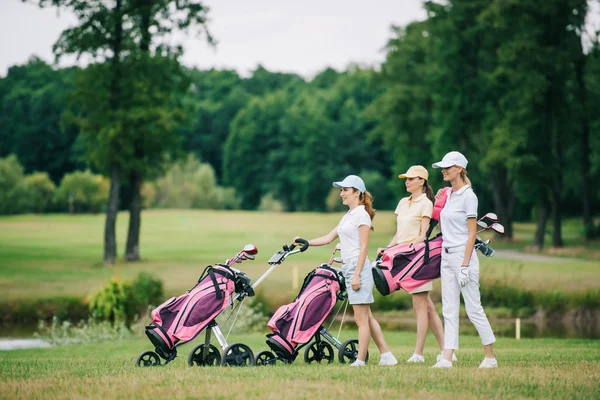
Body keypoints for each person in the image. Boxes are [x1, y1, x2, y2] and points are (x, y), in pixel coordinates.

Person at [294, 175, 397, 367]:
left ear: (357, 193)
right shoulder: (348, 216)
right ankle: (387, 356)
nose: (341, 194)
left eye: (345, 190)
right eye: (341, 190)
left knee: (360, 319)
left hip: (359, 269)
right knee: (367, 316)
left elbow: (364, 248)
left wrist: (357, 274)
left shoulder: (362, 215)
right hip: (349, 268)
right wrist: (307, 242)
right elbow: (328, 238)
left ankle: (360, 360)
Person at [377, 165, 454, 364]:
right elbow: (398, 233)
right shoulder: (403, 202)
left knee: (420, 306)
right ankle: (448, 350)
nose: (407, 181)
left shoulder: (426, 204)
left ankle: (418, 354)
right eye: (406, 178)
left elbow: (423, 235)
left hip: (418, 259)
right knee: (427, 307)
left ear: (422, 181)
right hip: (402, 258)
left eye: (412, 179)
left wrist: (407, 248)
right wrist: (388, 249)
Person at [430, 151, 497, 368]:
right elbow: (444, 229)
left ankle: (490, 357)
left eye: (448, 167)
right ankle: (447, 358)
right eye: (443, 167)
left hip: (462, 256)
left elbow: (471, 234)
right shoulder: (448, 195)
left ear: (459, 168)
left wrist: (465, 265)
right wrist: (440, 202)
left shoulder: (469, 196)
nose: (444, 170)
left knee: (473, 308)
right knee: (448, 309)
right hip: (446, 255)